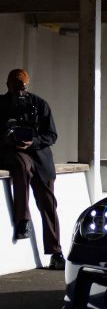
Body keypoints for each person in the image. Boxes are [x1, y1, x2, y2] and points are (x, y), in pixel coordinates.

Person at [0, 69, 63, 269]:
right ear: (8, 85)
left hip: (41, 158)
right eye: (15, 88)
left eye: (23, 89)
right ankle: (22, 221)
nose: (20, 93)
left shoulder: (39, 104)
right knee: (21, 166)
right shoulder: (1, 105)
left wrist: (33, 141)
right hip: (11, 153)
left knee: (48, 204)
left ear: (27, 86)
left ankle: (56, 252)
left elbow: (52, 135)